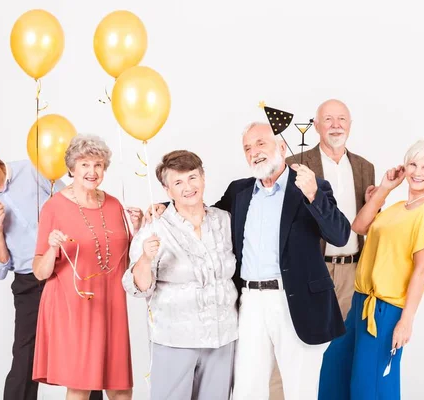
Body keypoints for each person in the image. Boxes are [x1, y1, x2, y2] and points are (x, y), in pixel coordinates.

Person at [147, 122, 350, 399]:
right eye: (247, 148)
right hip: (250, 302)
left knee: (299, 390)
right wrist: (166, 206)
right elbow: (203, 213)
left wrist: (314, 195)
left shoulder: (309, 186)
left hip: (296, 302)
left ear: (281, 147)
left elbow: (340, 235)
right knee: (246, 389)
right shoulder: (239, 191)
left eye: (261, 143)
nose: (254, 152)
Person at [0, 133, 104, 400]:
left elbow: (75, 204)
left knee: (83, 351)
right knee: (25, 359)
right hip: (29, 282)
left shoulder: (34, 169)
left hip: (69, 270)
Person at [317, 139, 424, 399]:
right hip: (360, 303)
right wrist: (385, 188)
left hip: (386, 310)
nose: (417, 172)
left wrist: (405, 322)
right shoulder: (400, 208)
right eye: (413, 164)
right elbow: (359, 226)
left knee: (369, 387)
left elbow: (421, 270)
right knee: (335, 371)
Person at [271, 99, 376, 399]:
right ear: (315, 126)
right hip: (311, 271)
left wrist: (375, 201)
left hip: (353, 271)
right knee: (294, 346)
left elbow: (364, 225)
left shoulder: (365, 167)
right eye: (328, 119)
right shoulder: (296, 164)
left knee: (341, 352)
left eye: (342, 118)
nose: (336, 125)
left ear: (350, 125)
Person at [122, 150, 238, 400]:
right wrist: (145, 258)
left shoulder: (225, 221)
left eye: (192, 178)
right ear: (167, 190)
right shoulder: (154, 228)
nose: (188, 187)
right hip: (175, 339)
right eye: (178, 182)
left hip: (223, 337)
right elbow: (137, 287)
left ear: (203, 178)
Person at [32, 134, 140, 400]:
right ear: (71, 168)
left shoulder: (115, 204)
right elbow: (39, 271)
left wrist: (137, 231)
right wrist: (53, 247)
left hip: (112, 305)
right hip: (75, 306)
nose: (92, 171)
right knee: (80, 386)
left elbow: (126, 259)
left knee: (121, 388)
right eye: (84, 165)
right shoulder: (54, 206)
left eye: (98, 165)